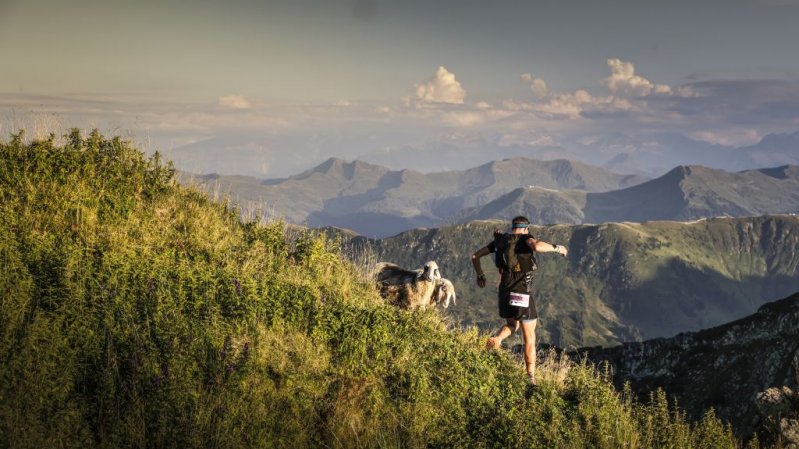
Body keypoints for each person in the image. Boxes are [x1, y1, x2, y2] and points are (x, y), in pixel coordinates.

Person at [471, 215, 568, 386]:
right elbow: (537, 246)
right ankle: (531, 378)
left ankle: (497, 340)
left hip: (504, 292)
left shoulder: (500, 241)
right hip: (521, 293)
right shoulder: (526, 238)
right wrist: (557, 248)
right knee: (529, 337)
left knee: (512, 325)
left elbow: (474, 256)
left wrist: (480, 275)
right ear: (525, 228)